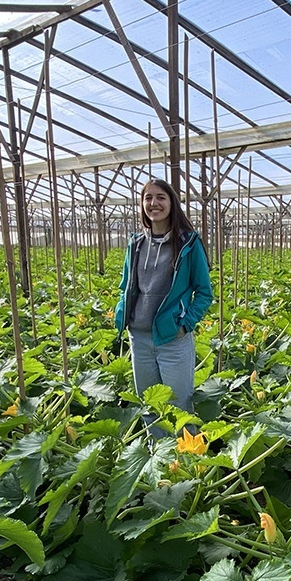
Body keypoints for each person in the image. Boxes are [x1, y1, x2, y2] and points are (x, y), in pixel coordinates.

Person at [114, 179, 213, 426]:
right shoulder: (136, 244)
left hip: (172, 338)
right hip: (139, 337)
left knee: (179, 406)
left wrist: (185, 324)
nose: (153, 203)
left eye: (160, 197)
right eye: (148, 198)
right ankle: (158, 458)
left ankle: (187, 461)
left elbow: (204, 292)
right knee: (149, 406)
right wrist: (121, 312)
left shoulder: (188, 244)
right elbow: (126, 285)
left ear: (171, 203)